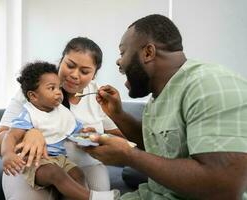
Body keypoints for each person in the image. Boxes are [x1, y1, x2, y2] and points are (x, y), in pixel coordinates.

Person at [84, 14, 247, 200]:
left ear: (148, 53)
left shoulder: (211, 85)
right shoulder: (157, 98)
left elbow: (224, 187)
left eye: (122, 53)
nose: (119, 62)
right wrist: (118, 115)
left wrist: (129, 155)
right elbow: (160, 150)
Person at [0, 37, 122, 200]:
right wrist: (29, 133)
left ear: (94, 75)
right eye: (70, 65)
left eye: (84, 71)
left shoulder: (98, 96)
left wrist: (95, 136)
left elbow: (120, 138)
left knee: (85, 185)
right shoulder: (34, 90)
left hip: (81, 165)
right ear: (61, 61)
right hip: (34, 165)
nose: (74, 75)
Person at [1, 61, 89, 200]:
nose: (58, 93)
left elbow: (77, 132)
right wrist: (7, 154)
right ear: (33, 96)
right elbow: (11, 136)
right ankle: (93, 198)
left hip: (61, 160)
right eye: (51, 88)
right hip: (37, 163)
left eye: (59, 88)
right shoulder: (28, 114)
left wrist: (89, 136)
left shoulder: (63, 113)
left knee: (78, 174)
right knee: (56, 173)